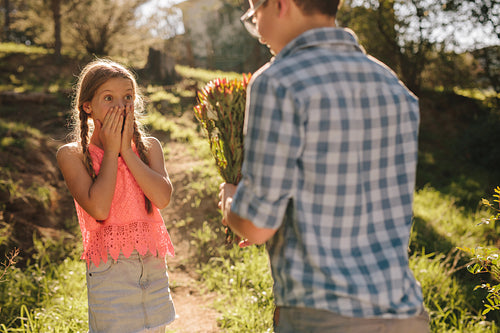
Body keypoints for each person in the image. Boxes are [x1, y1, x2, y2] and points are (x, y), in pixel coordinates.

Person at [218, 0, 429, 332]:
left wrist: (231, 201)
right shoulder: (394, 87)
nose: (258, 33)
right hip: (405, 314)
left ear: (279, 5)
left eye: (254, 15)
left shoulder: (278, 81)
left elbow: (257, 226)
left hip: (322, 315)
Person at [57, 59, 175, 333]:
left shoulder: (150, 148)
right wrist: (111, 152)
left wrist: (128, 152)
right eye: (108, 98)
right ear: (88, 106)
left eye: (128, 97)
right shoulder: (72, 155)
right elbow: (99, 208)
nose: (120, 106)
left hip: (153, 269)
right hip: (110, 274)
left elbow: (162, 198)